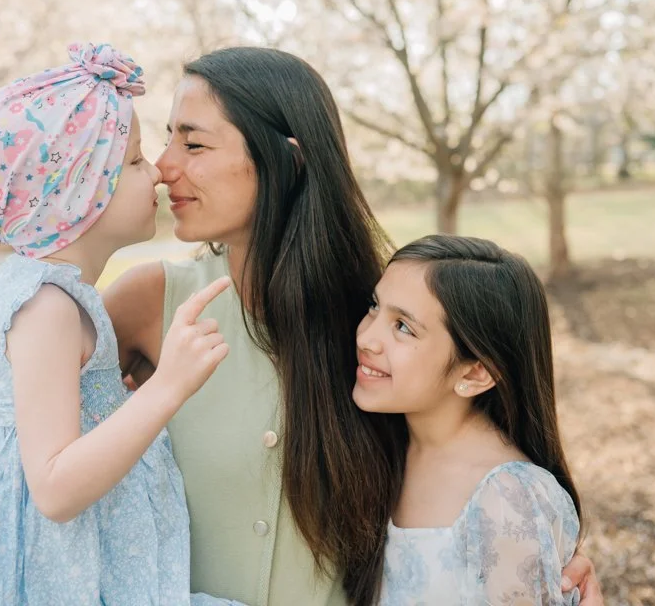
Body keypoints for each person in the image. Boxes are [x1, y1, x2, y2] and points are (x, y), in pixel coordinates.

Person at [105, 46, 603, 605]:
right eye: (168, 137)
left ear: (286, 160)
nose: (164, 165)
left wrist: (533, 550)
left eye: (193, 143)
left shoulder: (379, 319)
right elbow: (32, 460)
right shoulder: (150, 302)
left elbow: (465, 467)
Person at [0, 43, 244, 606]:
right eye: (136, 162)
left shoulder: (61, 297)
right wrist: (168, 387)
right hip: (53, 577)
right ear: (78, 192)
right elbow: (54, 488)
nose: (160, 175)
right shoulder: (47, 309)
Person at [353, 234, 581, 604]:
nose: (367, 337)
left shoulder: (508, 498)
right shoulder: (382, 445)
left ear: (474, 373)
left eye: (404, 327)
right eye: (374, 306)